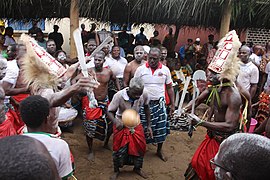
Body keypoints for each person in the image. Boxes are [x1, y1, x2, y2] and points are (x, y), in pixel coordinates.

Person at [184, 30, 242, 180]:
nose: (209, 75)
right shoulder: (214, 87)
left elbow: (230, 125)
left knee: (214, 173)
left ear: (224, 74)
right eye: (209, 71)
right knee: (198, 164)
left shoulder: (232, 96)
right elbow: (197, 100)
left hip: (224, 143)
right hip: (211, 137)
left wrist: (201, 122)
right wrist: (183, 110)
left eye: (213, 73)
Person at [74, 51, 118, 161]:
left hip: (105, 102)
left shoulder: (108, 72)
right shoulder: (88, 72)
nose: (97, 62)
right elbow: (74, 80)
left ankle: (106, 143)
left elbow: (115, 79)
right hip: (91, 103)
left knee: (110, 124)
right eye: (96, 60)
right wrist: (80, 90)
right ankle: (90, 149)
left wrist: (118, 90)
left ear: (104, 61)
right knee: (90, 127)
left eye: (99, 60)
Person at [134, 47, 175, 161]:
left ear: (159, 58)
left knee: (161, 128)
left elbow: (170, 88)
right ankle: (140, 149)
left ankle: (159, 150)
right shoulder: (140, 70)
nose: (152, 61)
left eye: (155, 59)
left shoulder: (165, 70)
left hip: (159, 104)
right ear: (147, 57)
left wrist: (172, 104)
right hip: (143, 104)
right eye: (150, 58)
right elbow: (134, 85)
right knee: (141, 127)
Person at [21, 95, 73, 179]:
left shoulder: (15, 144)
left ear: (22, 119)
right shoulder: (60, 146)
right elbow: (64, 176)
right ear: (47, 119)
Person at [108, 77, 150, 180]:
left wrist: (149, 125)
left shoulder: (144, 93)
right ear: (129, 89)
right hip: (121, 124)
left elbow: (146, 107)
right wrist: (116, 122)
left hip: (136, 123)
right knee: (118, 148)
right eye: (135, 94)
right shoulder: (119, 96)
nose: (137, 96)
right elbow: (109, 111)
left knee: (140, 147)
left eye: (139, 94)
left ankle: (137, 168)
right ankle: (116, 170)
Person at [0, 56, 16, 138]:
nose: (3, 72)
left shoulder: (1, 84)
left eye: (5, 68)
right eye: (1, 69)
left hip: (5, 123)